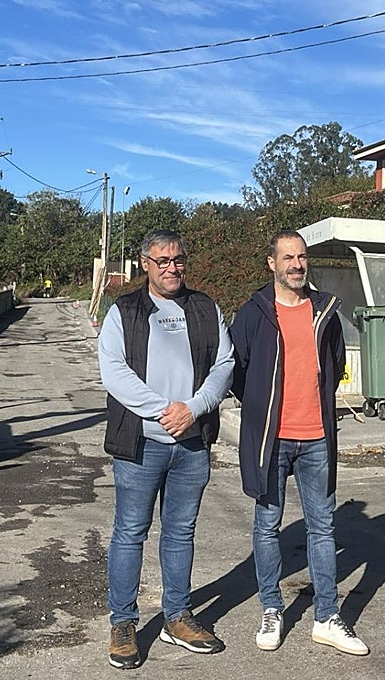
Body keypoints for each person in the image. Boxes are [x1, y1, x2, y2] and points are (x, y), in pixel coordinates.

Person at [98, 229, 235, 669]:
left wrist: (194, 409)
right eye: (163, 261)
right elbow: (114, 372)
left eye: (178, 260)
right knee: (129, 533)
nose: (172, 268)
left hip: (191, 445)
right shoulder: (124, 311)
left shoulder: (205, 307)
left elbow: (225, 364)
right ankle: (123, 623)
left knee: (180, 533)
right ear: (145, 264)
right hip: (140, 445)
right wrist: (164, 411)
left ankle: (177, 617)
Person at [230, 229, 369, 656]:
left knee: (322, 527)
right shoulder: (254, 313)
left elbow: (336, 363)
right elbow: (237, 370)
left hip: (316, 438)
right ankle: (272, 609)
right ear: (271, 263)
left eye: (302, 257)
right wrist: (261, 408)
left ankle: (326, 617)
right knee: (267, 525)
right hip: (270, 440)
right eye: (288, 257)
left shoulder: (324, 310)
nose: (296, 265)